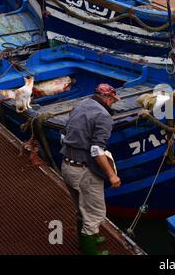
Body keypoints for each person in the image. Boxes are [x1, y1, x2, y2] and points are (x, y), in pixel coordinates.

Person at [60, 83, 122, 255]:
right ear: (107, 98)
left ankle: (87, 240)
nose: (112, 104)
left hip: (66, 166)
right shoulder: (104, 116)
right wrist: (112, 175)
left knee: (81, 207)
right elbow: (96, 150)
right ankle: (90, 249)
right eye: (112, 100)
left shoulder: (81, 105)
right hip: (84, 172)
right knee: (95, 213)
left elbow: (64, 134)